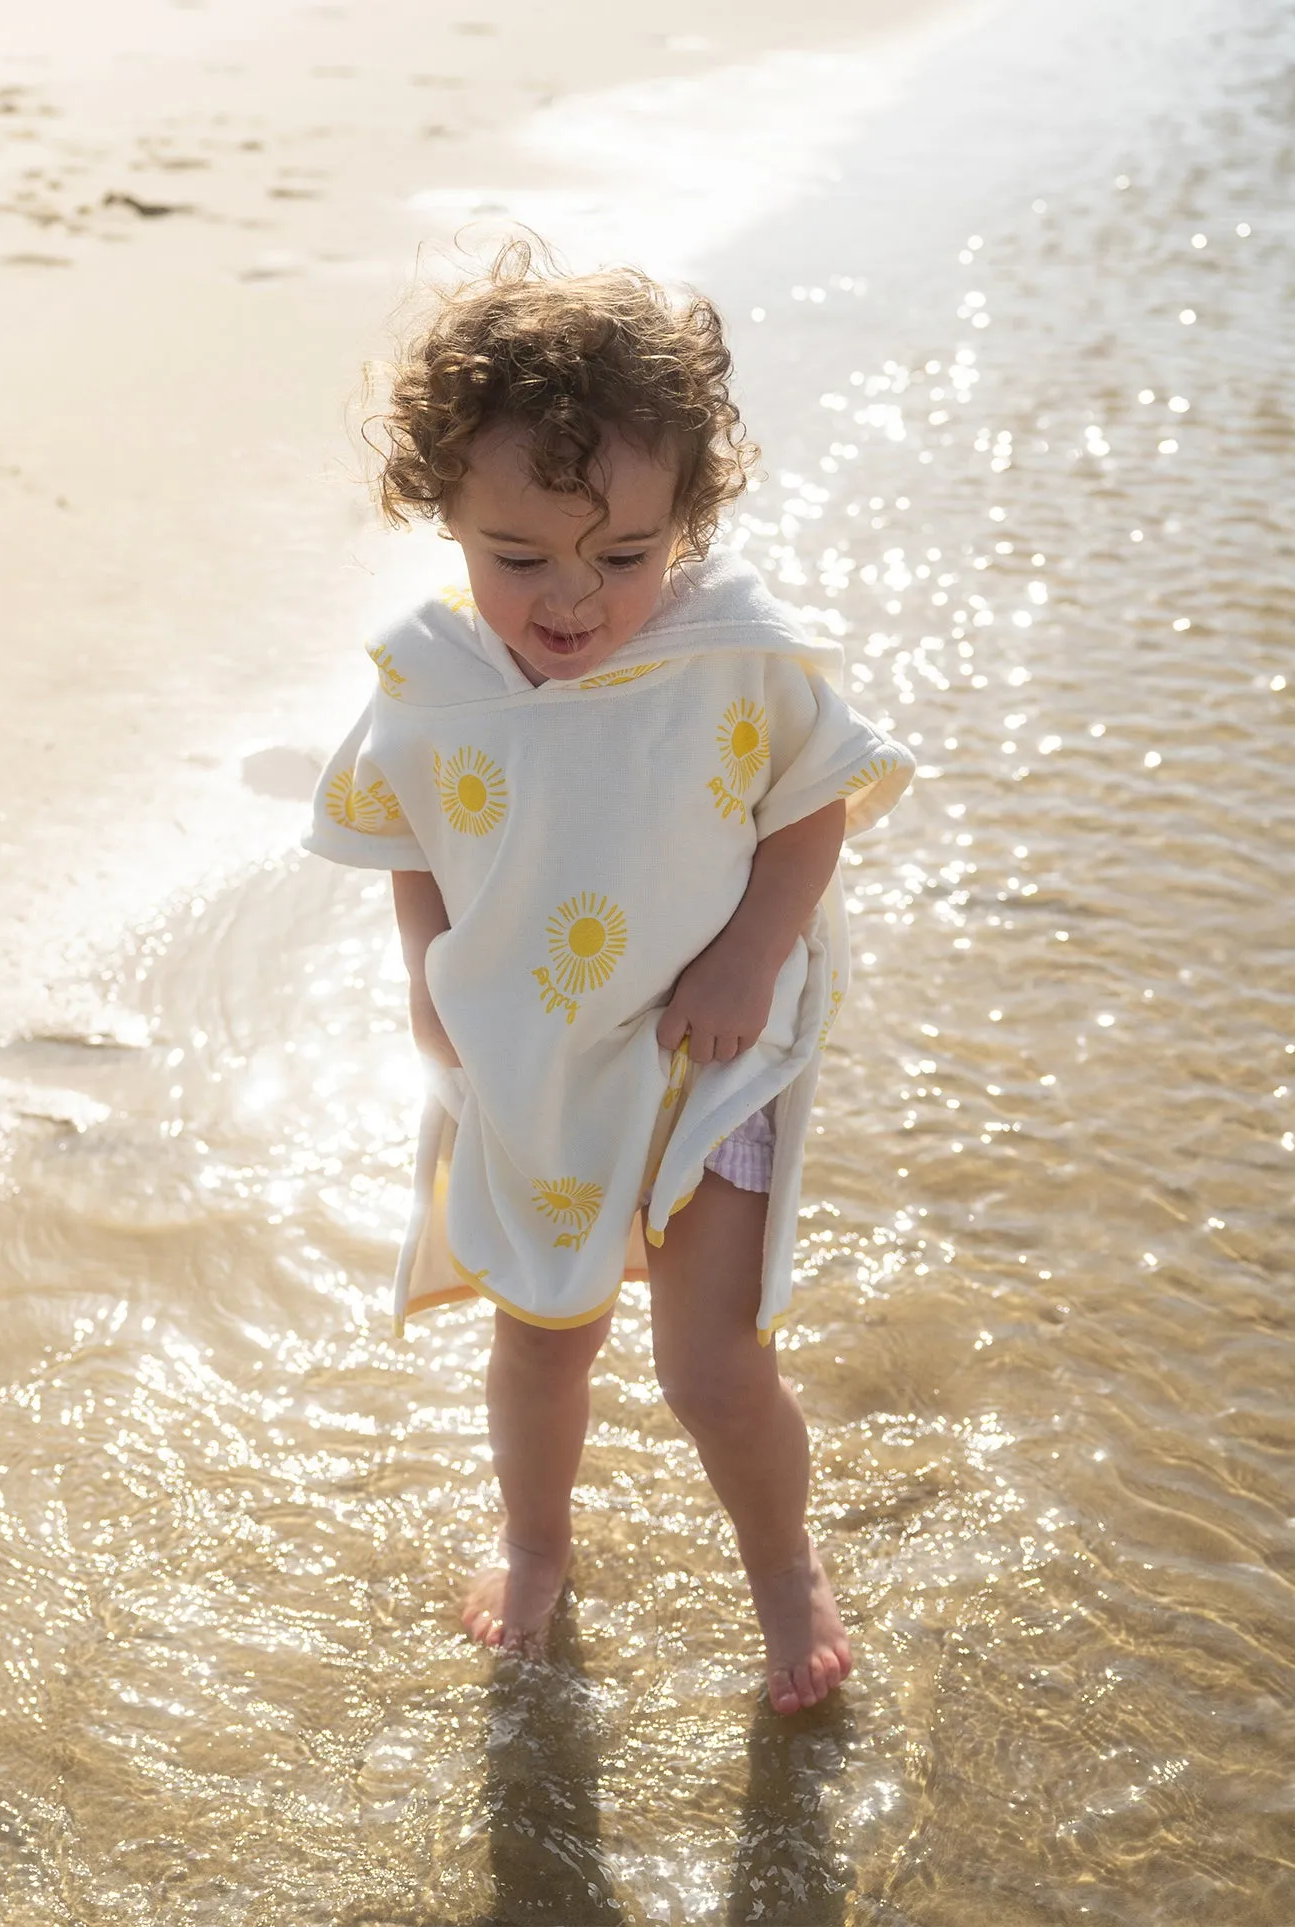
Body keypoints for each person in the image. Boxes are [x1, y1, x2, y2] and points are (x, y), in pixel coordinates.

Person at [303, 244, 913, 1713]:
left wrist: (752, 950)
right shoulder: (430, 688)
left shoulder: (730, 657)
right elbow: (411, 838)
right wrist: (419, 973)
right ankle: (535, 1536)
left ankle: (782, 1565)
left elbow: (814, 802)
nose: (574, 597)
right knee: (542, 1329)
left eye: (623, 556)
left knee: (709, 1363)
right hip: (536, 1059)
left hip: (719, 1050)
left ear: (683, 525)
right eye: (521, 558)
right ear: (444, 509)